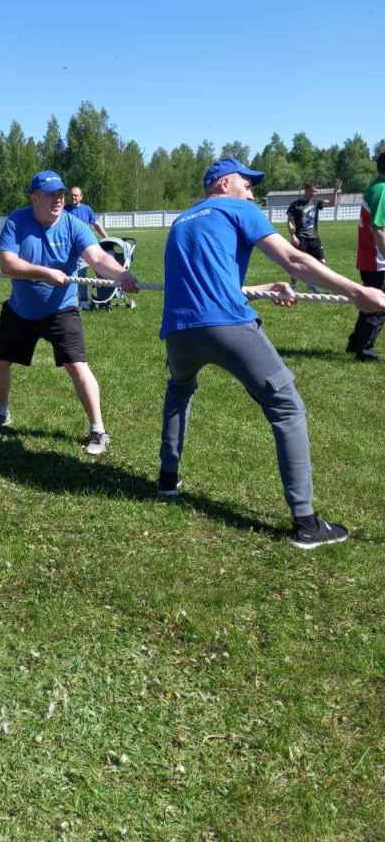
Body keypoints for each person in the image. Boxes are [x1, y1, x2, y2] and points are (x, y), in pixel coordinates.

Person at [157, 156, 385, 549]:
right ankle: (307, 523)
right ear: (226, 183)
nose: (253, 192)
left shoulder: (183, 220)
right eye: (248, 184)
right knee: (287, 406)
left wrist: (261, 287)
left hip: (179, 333)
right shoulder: (238, 208)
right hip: (227, 325)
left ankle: (166, 479)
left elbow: (205, 281)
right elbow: (294, 258)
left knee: (179, 389)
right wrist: (358, 293)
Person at [0, 170, 137, 455]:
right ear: (34, 198)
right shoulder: (17, 220)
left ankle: (98, 430)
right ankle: (1, 413)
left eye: (61, 194)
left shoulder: (74, 225)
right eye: (51, 195)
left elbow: (97, 258)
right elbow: (7, 264)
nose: (58, 199)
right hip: (20, 309)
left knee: (77, 366)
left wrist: (122, 275)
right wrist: (45, 273)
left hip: (62, 309)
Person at [346, 152, 385, 362]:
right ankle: (365, 350)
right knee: (378, 307)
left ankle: (356, 342)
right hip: (378, 262)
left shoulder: (376, 186)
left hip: (371, 259)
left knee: (370, 303)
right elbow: (378, 229)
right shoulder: (382, 191)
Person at [285, 179, 341, 288]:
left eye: (316, 192)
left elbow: (332, 204)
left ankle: (313, 285)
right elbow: (290, 221)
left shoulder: (316, 202)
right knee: (297, 264)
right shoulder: (295, 205)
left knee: (322, 262)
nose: (314, 194)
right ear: (306, 190)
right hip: (301, 238)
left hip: (314, 238)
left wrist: (335, 191)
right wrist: (293, 236)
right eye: (312, 191)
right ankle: (292, 286)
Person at [65, 186, 108, 308]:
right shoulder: (64, 210)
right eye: (72, 195)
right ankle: (80, 300)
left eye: (76, 195)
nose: (73, 197)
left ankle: (101, 298)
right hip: (71, 250)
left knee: (97, 271)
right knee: (77, 275)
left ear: (81, 197)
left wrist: (106, 237)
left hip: (87, 248)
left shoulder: (86, 209)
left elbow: (96, 224)